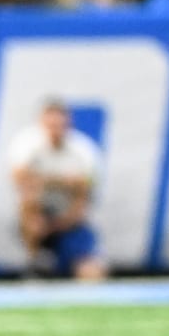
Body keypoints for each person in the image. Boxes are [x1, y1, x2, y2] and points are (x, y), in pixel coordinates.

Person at [8, 99, 105, 280]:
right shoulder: (27, 145)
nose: (55, 130)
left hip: (70, 222)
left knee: (91, 272)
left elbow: (82, 200)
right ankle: (35, 260)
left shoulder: (83, 151)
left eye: (59, 125)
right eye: (50, 125)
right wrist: (64, 181)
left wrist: (58, 224)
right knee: (30, 205)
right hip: (38, 217)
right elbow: (21, 183)